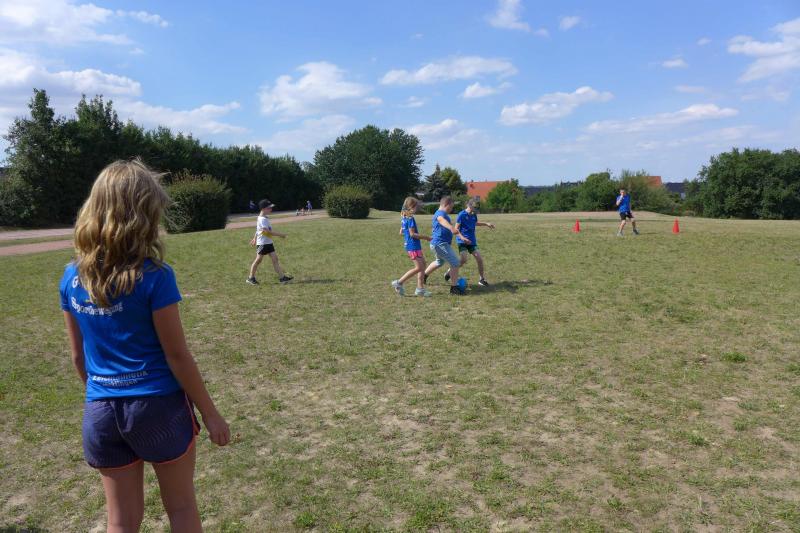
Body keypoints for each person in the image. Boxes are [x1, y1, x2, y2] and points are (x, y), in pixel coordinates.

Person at [59, 159, 230, 533]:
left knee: (120, 521)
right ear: (143, 213)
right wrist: (211, 413)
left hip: (101, 411)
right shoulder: (154, 276)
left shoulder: (72, 277)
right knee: (181, 508)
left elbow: (77, 356)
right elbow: (177, 355)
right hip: (157, 407)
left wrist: (105, 393)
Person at [423, 196, 470, 295]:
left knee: (439, 262)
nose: (451, 209)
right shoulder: (440, 214)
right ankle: (454, 288)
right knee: (455, 263)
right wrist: (451, 227)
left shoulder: (443, 214)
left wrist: (462, 237)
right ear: (446, 204)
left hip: (438, 244)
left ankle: (424, 275)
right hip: (440, 244)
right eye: (451, 207)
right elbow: (441, 220)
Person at [446, 199, 495, 287]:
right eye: (475, 207)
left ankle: (481, 279)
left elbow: (475, 223)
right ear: (469, 205)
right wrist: (462, 238)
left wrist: (486, 224)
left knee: (479, 259)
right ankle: (449, 272)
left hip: (472, 241)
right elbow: (456, 229)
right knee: (463, 260)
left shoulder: (474, 214)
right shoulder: (461, 215)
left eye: (477, 208)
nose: (476, 209)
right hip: (462, 241)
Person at [391, 197, 432, 297]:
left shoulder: (404, 216)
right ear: (411, 207)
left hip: (413, 246)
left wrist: (407, 235)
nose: (417, 209)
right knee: (419, 267)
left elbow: (401, 232)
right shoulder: (410, 218)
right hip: (413, 246)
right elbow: (412, 234)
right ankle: (399, 282)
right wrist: (426, 237)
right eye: (416, 206)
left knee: (423, 265)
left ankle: (420, 289)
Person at [247, 199, 293, 284]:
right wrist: (280, 235)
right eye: (269, 208)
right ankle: (250, 278)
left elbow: (258, 229)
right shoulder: (262, 219)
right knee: (258, 260)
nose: (271, 209)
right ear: (263, 209)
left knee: (275, 259)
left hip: (268, 243)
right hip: (262, 244)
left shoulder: (264, 217)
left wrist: (254, 238)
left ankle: (282, 278)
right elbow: (267, 232)